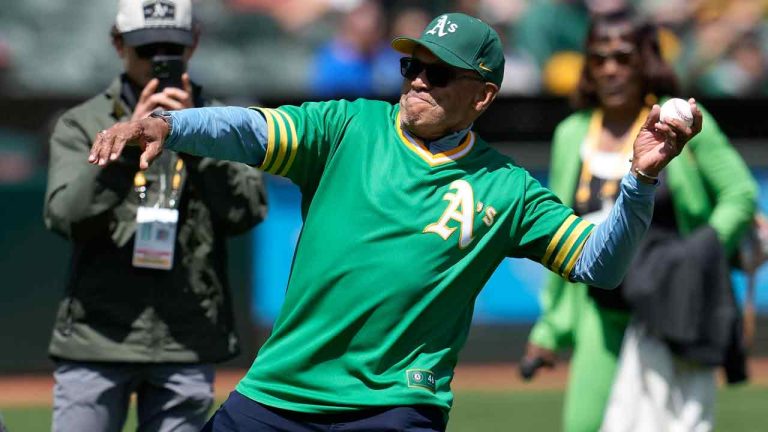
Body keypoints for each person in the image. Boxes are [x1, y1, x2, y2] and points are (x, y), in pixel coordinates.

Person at [89, 12, 701, 432]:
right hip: (279, 389)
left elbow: (601, 264)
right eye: (412, 67)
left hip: (395, 403)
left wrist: (640, 182)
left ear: (482, 96)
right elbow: (250, 128)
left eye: (438, 73)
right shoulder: (347, 127)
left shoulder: (505, 188)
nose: (417, 82)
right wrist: (170, 127)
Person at [520, 10, 757, 432]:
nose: (610, 68)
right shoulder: (572, 133)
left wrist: (697, 255)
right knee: (583, 424)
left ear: (647, 61)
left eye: (623, 57)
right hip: (599, 308)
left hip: (668, 304)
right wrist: (550, 330)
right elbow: (556, 230)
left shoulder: (678, 126)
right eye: (598, 58)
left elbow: (739, 194)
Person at [44, 1, 267, 431]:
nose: (159, 61)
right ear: (118, 44)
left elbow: (248, 211)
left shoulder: (223, 123)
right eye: (147, 49)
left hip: (185, 338)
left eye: (172, 48)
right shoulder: (81, 122)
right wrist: (127, 142)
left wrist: (194, 135)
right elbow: (65, 217)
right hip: (98, 337)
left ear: (194, 43)